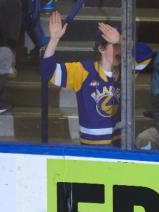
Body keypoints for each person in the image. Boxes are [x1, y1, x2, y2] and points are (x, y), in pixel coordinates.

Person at [40, 12, 152, 146]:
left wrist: (121, 40)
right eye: (115, 46)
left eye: (121, 46)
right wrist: (54, 40)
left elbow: (146, 54)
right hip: (91, 148)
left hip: (120, 146)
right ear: (101, 48)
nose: (120, 50)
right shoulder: (83, 71)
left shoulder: (127, 72)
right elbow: (47, 71)